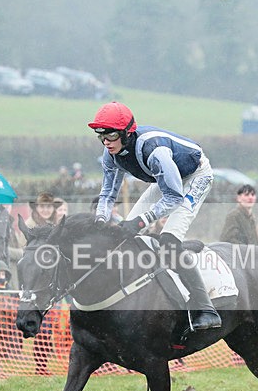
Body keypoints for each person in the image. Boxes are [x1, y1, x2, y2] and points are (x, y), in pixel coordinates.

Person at [89, 101, 220, 331]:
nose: (106, 141)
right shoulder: (111, 154)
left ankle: (205, 307)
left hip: (194, 177)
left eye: (110, 135)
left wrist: (141, 221)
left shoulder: (154, 151)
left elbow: (174, 197)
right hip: (167, 180)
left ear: (126, 133)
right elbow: (108, 194)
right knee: (122, 234)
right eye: (101, 136)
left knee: (168, 241)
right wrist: (100, 221)